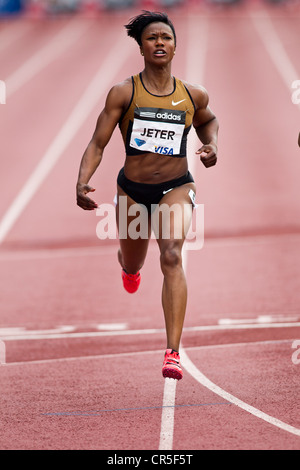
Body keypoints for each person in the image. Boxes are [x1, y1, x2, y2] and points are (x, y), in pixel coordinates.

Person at [76, 11, 219, 380]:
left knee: (172, 255)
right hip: (133, 192)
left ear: (174, 45)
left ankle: (172, 351)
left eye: (166, 38)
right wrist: (82, 180)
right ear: (141, 46)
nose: (160, 43)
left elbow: (208, 121)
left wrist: (211, 145)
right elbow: (98, 142)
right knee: (134, 261)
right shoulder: (124, 92)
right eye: (152, 38)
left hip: (177, 186)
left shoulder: (192, 94)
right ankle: (127, 266)